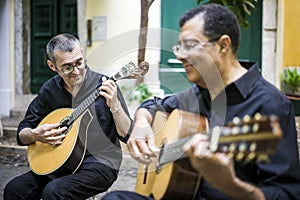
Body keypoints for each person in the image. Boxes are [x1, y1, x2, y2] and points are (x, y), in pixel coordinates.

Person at [102, 3, 300, 200]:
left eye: (189, 45)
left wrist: (233, 186)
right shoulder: (198, 93)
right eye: (179, 47)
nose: (179, 55)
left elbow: (287, 194)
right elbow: (154, 105)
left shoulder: (271, 105)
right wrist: (142, 121)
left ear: (223, 45)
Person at [4, 33, 133, 199]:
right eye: (67, 67)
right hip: (59, 163)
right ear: (52, 66)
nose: (76, 71)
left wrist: (115, 105)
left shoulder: (105, 86)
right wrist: (35, 134)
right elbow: (23, 132)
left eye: (79, 63)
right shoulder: (50, 90)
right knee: (14, 189)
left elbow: (127, 134)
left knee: (54, 191)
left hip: (101, 163)